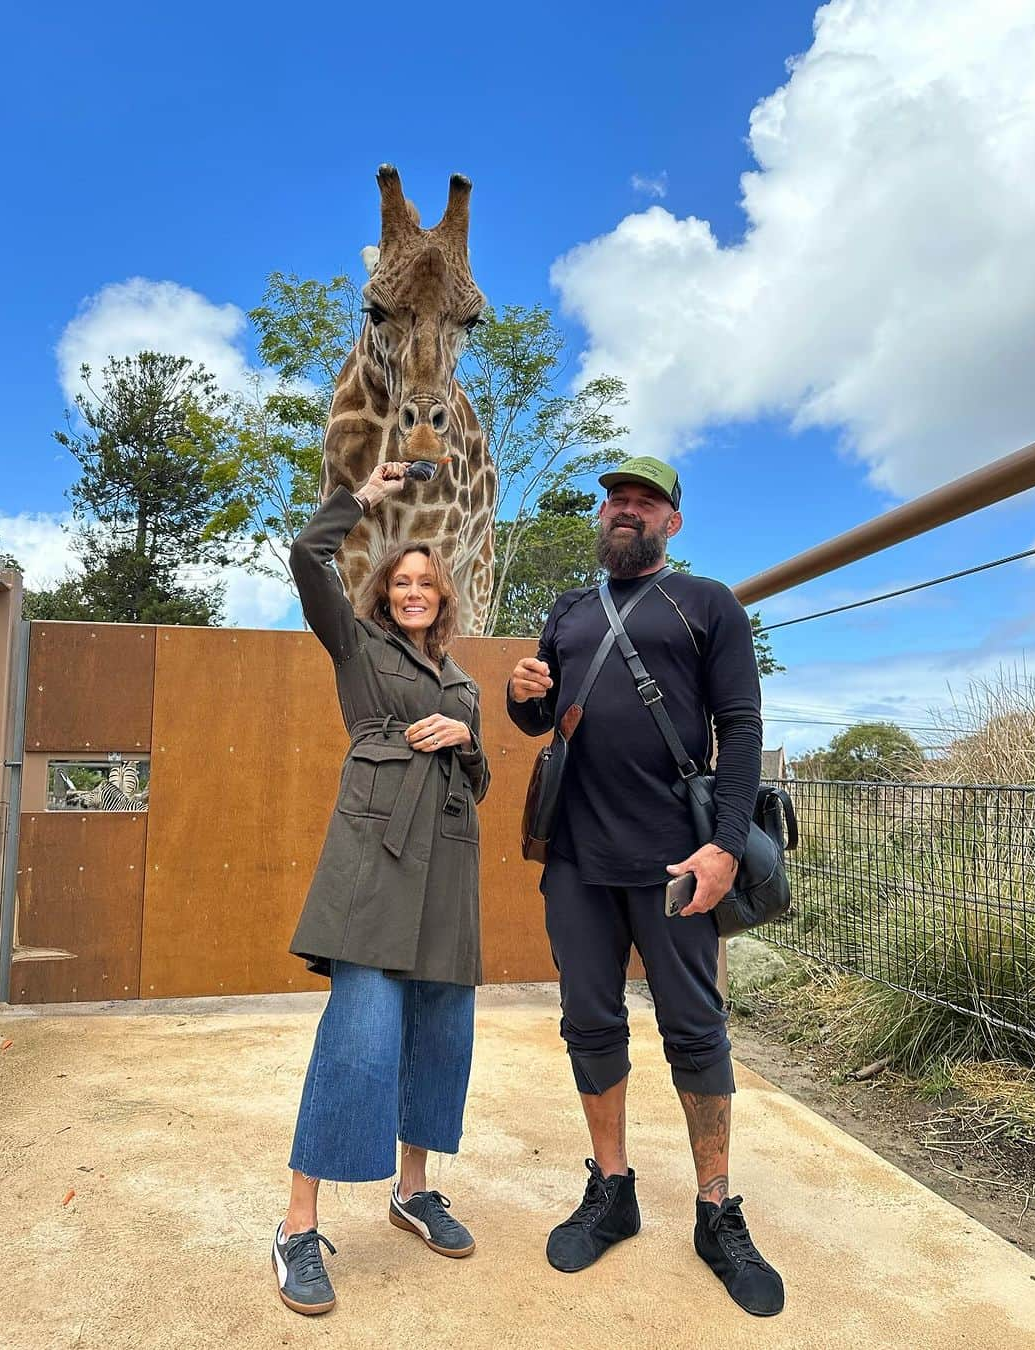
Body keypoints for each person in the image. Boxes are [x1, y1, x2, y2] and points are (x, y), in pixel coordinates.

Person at [507, 455, 784, 1317]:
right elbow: (542, 718)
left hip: (675, 861)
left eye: (644, 501)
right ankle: (613, 1190)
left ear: (673, 522)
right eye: (615, 499)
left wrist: (724, 849)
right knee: (588, 1023)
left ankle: (715, 1210)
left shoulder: (709, 605)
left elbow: (740, 729)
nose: (624, 510)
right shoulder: (569, 610)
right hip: (575, 861)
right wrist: (522, 696)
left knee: (695, 1030)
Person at [272, 462, 490, 1316]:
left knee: (440, 1039)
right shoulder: (356, 645)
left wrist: (465, 741)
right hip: (375, 861)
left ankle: (412, 1190)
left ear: (444, 597)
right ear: (383, 593)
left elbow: (478, 785)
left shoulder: (464, 682)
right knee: (358, 1041)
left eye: (425, 583)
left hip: (449, 872)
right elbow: (306, 555)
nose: (412, 592)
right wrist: (361, 498)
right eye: (400, 581)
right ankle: (296, 1226)